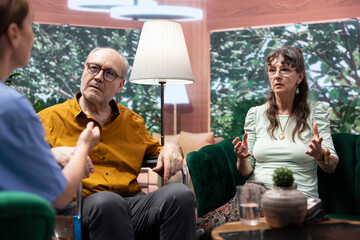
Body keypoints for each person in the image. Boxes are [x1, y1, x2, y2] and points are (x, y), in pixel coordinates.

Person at [38, 47, 196, 240]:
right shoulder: (49, 119)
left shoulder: (132, 122)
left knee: (180, 194)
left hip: (131, 206)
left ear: (120, 85)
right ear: (84, 70)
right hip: (78, 207)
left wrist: (170, 148)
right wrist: (52, 155)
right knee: (108, 202)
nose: (98, 77)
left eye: (109, 73)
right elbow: (24, 163)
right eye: (94, 68)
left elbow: (157, 151)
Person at [196, 46, 339, 231]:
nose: (277, 76)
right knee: (251, 191)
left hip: (296, 198)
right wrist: (242, 158)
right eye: (272, 70)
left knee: (250, 195)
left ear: (300, 77)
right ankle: (200, 231)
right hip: (254, 193)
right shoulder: (256, 114)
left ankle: (198, 231)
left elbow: (332, 165)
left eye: (285, 69)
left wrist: (321, 156)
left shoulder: (316, 111)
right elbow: (247, 171)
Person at [0, 0, 100, 210]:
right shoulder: (12, 107)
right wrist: (83, 147)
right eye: (30, 26)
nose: (33, 35)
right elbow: (59, 195)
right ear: (13, 33)